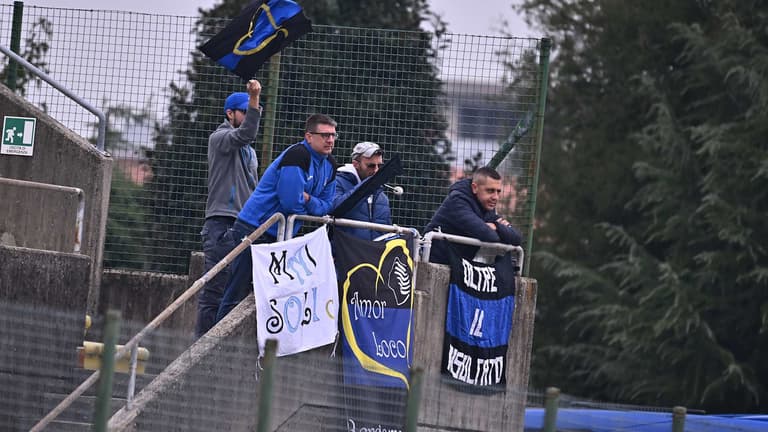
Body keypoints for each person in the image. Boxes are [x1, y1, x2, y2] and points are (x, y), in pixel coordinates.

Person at [214, 113, 339, 323]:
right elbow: (290, 201)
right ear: (309, 137)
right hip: (255, 229)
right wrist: (311, 202)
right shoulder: (297, 156)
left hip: (283, 233)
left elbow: (327, 205)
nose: (330, 140)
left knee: (273, 295)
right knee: (237, 290)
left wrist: (308, 200)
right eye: (324, 135)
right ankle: (217, 346)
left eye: (334, 135)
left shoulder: (331, 166)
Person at [195, 80, 263, 339]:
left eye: (252, 111)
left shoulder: (249, 152)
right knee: (215, 289)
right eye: (244, 111)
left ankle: (220, 345)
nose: (248, 116)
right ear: (230, 113)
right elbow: (245, 133)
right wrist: (254, 96)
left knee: (236, 290)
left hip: (245, 225)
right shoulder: (220, 138)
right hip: (221, 224)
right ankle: (200, 347)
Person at [423, 166, 522, 264]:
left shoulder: (486, 207)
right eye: (490, 191)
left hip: (458, 265)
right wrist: (500, 229)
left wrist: (496, 227)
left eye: (498, 192)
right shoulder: (457, 201)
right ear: (475, 188)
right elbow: (489, 235)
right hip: (432, 262)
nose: (495, 197)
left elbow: (516, 238)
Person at [332, 141, 392, 240]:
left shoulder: (382, 196)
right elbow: (333, 208)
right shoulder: (337, 182)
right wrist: (365, 187)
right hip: (343, 251)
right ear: (355, 164)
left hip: (373, 253)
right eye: (371, 166)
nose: (376, 170)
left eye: (380, 166)